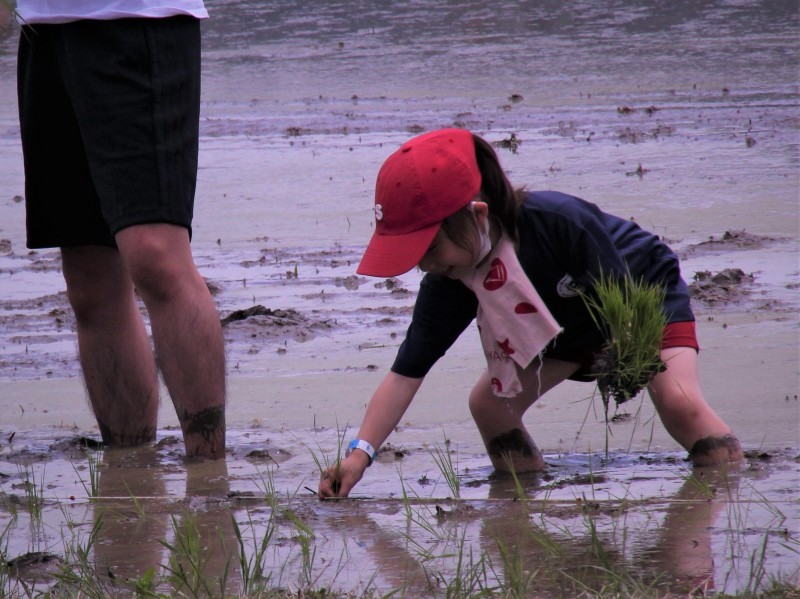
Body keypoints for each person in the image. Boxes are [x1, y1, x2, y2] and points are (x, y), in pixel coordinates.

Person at [319, 128, 743, 498]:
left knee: (679, 401)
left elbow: (625, 304)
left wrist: (629, 359)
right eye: (412, 257)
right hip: (562, 328)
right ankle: (521, 504)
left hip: (640, 301)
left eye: (429, 248)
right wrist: (360, 455)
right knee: (489, 406)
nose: (425, 264)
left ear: (477, 215)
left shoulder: (560, 222)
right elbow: (405, 373)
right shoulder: (451, 277)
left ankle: (724, 492)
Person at [16, 1, 226, 459]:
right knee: (89, 277)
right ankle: (129, 471)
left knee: (155, 256)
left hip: (137, 17)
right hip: (44, 27)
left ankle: (209, 476)